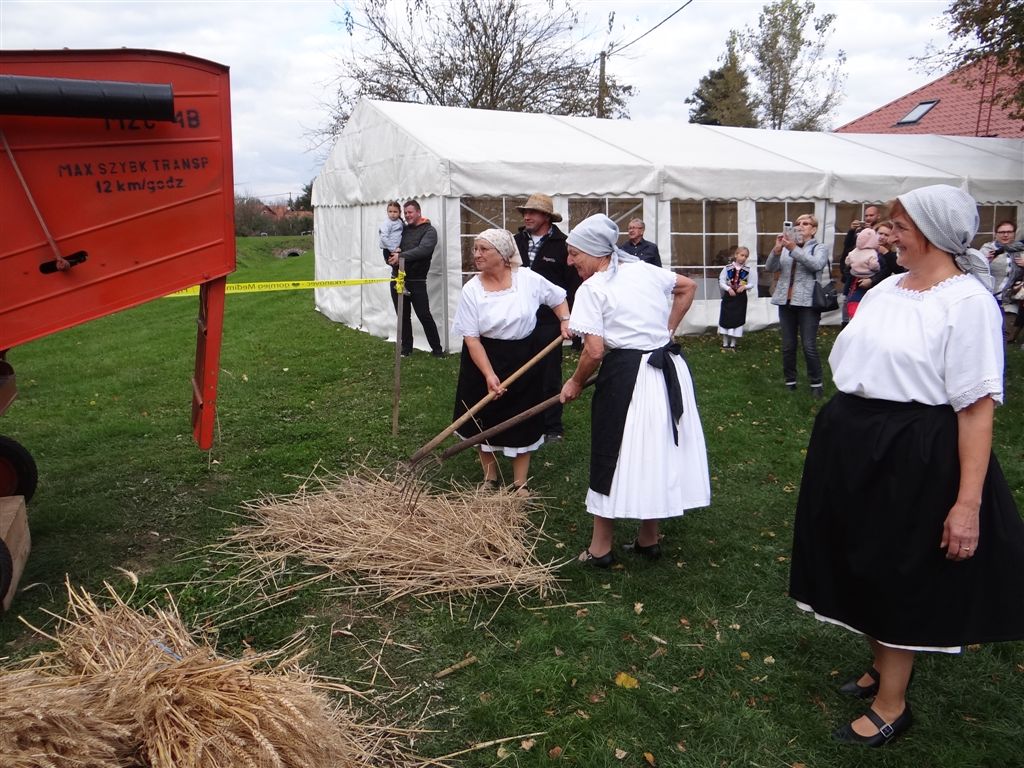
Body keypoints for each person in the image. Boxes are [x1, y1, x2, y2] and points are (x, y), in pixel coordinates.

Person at [788, 184, 1024, 748]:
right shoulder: (888, 287)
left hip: (912, 453)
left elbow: (974, 412)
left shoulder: (967, 303)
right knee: (858, 559)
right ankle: (879, 665)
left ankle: (892, 703)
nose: (885, 232)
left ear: (936, 233)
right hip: (853, 443)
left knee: (897, 570)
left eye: (898, 224)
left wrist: (967, 506)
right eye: (888, 223)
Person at [559, 214, 710, 567]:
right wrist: (666, 331)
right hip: (667, 368)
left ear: (595, 252)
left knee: (611, 453)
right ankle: (648, 539)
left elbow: (594, 351)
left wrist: (576, 381)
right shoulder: (645, 270)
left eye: (573, 253)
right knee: (656, 448)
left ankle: (600, 550)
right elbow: (688, 286)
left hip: (629, 377)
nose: (569, 261)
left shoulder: (593, 289)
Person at [451, 229, 571, 493]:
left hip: (524, 357)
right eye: (475, 249)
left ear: (503, 255)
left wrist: (564, 320)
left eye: (484, 249)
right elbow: (472, 339)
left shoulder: (527, 279)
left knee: (522, 419)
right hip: (483, 359)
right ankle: (490, 477)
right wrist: (488, 374)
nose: (477, 254)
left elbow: (558, 297)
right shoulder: (472, 289)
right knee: (484, 418)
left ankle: (520, 484)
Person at [514, 193, 580, 443]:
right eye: (525, 213)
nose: (527, 216)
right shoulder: (515, 241)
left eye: (533, 212)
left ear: (547, 217)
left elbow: (573, 285)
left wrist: (570, 318)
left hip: (550, 321)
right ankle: (525, 420)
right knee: (519, 371)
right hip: (519, 319)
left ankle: (552, 426)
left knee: (549, 373)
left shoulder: (563, 245)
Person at [764, 214, 830, 398]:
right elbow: (770, 267)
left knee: (808, 345)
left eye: (806, 223)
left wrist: (793, 248)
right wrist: (777, 250)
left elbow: (816, 265)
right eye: (798, 223)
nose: (800, 226)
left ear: (814, 229)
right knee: (788, 345)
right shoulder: (786, 247)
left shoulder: (819, 247)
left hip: (808, 303)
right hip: (786, 301)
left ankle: (816, 383)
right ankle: (790, 382)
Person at [388, 200, 445, 358]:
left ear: (418, 212)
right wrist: (390, 254)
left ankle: (437, 351)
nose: (407, 216)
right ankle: (406, 349)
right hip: (397, 280)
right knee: (403, 317)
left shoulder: (429, 231)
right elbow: (391, 243)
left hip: (417, 281)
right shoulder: (403, 230)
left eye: (410, 212)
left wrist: (401, 256)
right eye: (405, 213)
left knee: (424, 315)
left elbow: (424, 250)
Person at [840, 205, 883, 323]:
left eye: (871, 215)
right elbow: (848, 247)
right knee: (848, 307)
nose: (868, 218)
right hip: (853, 277)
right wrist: (852, 230)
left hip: (872, 280)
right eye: (866, 216)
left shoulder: (880, 232)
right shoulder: (860, 232)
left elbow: (883, 267)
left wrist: (873, 279)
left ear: (878, 216)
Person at [717, 246, 754, 349]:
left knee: (737, 318)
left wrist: (745, 287)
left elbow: (752, 283)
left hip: (740, 298)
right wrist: (728, 289)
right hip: (729, 297)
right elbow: (722, 281)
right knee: (726, 317)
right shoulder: (727, 268)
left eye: (746, 256)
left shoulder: (747, 270)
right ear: (736, 255)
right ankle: (725, 342)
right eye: (742, 255)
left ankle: (733, 343)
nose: (743, 258)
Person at [843, 228, 880, 319]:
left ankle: (851, 314)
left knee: (852, 298)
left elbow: (847, 261)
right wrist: (877, 269)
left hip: (854, 277)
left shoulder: (854, 251)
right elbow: (873, 265)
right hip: (868, 275)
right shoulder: (872, 253)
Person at [379, 200, 404, 265]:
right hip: (388, 249)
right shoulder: (387, 223)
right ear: (387, 212)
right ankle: (399, 274)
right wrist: (393, 249)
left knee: (402, 263)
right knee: (397, 264)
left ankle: (401, 274)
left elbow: (405, 227)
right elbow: (383, 237)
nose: (392, 214)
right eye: (390, 211)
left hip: (397, 249)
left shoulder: (399, 221)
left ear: (399, 212)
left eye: (395, 212)